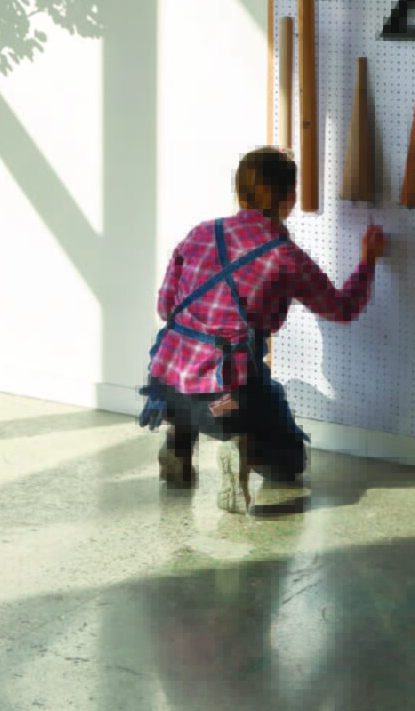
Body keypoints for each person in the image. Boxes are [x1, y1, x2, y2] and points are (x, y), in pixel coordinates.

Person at [138, 146, 387, 511]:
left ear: (240, 192)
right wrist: (368, 260)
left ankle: (179, 442)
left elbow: (165, 308)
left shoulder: (200, 234)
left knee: (205, 392)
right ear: (290, 197)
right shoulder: (284, 257)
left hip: (168, 391)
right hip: (223, 404)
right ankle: (237, 441)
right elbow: (342, 309)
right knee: (287, 460)